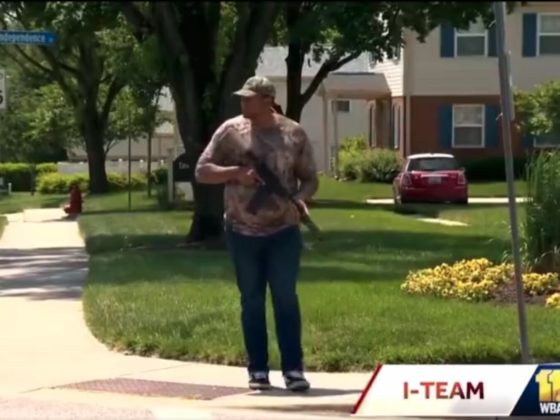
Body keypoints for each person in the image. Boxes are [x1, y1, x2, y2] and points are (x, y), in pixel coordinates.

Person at [195, 76, 319, 392]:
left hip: (284, 231)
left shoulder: (293, 133)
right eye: (242, 97)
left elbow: (309, 178)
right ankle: (258, 371)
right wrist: (236, 173)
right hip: (241, 230)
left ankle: (293, 370)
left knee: (285, 298)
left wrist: (301, 200)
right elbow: (202, 171)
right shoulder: (230, 131)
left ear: (267, 100)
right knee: (251, 300)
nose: (243, 102)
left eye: (249, 98)